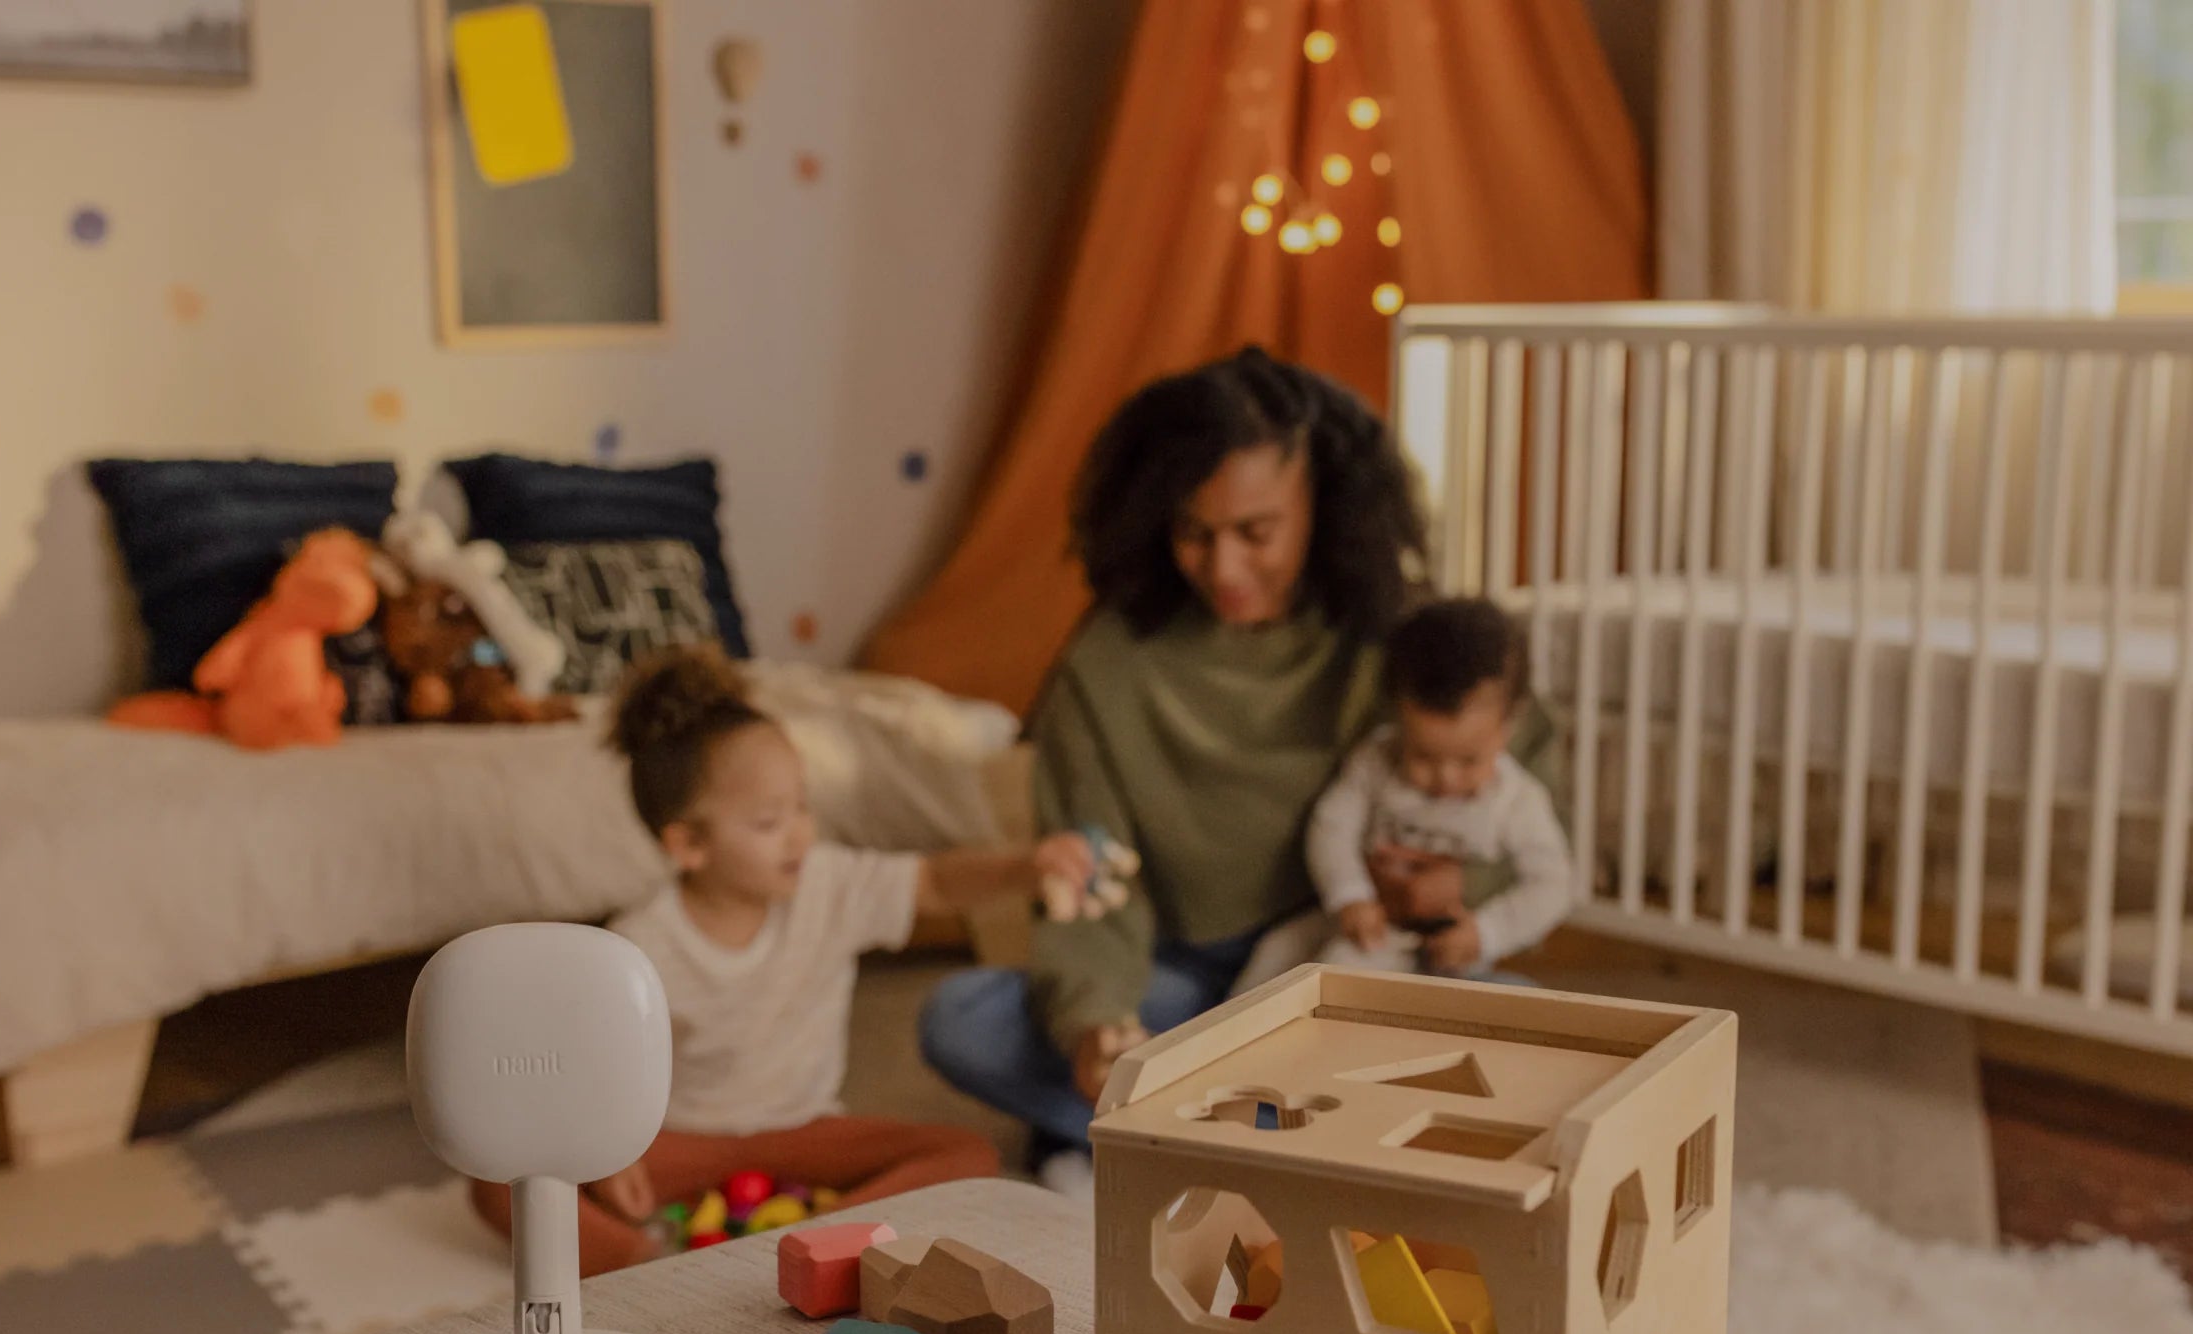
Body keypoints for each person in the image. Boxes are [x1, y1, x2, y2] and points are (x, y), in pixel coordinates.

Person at [917, 346, 1426, 1190]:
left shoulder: (1391, 636)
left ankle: (1159, 1138)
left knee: (1519, 1011)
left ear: (1325, 504)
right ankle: (1263, 1143)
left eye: (1255, 533)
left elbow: (1505, 800)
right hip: (1176, 979)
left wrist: (1446, 894)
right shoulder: (1109, 663)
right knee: (961, 1018)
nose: (1222, 570)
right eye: (1194, 532)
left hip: (1337, 967)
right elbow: (1093, 883)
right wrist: (1098, 1026)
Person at [469, 644, 1091, 1275]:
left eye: (802, 806)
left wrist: (1024, 868)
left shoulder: (828, 884)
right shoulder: (640, 946)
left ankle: (805, 1244)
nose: (800, 834)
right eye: (769, 822)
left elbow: (933, 883)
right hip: (682, 1149)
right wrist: (611, 1152)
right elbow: (578, 1068)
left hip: (805, 1138)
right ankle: (653, 1265)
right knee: (499, 1181)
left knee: (969, 1159)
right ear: (689, 845)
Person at [1307, 599, 1571, 977]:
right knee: (1311, 968)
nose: (1446, 779)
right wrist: (1349, 895)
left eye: (1469, 761)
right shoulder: (1375, 762)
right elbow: (1331, 826)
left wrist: (1486, 933)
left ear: (1508, 727)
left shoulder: (1517, 799)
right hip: (1377, 934)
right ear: (1398, 716)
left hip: (1458, 951)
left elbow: (1554, 884)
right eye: (1424, 757)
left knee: (1503, 1000)